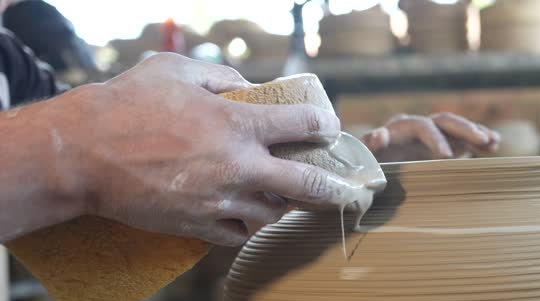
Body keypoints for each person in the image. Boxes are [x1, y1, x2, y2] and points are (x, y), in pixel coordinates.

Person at [0, 14, 499, 246]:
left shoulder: (11, 63)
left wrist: (360, 166)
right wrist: (86, 145)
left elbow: (83, 233)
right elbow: (93, 160)